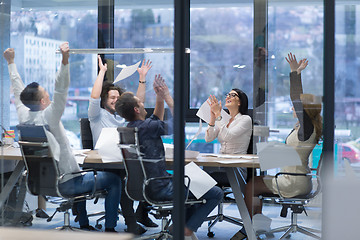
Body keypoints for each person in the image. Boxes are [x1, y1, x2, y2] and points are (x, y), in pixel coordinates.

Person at [3, 43, 122, 232]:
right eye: (46, 94)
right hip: (67, 182)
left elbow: (18, 92)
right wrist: (65, 61)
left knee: (81, 172)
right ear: (43, 102)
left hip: (43, 183)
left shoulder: (23, 115)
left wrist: (11, 63)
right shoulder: (50, 115)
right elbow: (61, 89)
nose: (50, 95)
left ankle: (84, 223)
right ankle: (109, 229)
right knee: (115, 180)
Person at [115, 74, 224, 240]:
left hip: (144, 187)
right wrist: (167, 96)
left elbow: (156, 119)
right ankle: (187, 228)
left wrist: (159, 98)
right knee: (215, 192)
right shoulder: (147, 128)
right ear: (137, 109)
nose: (144, 105)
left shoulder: (131, 128)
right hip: (161, 188)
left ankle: (177, 226)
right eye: (141, 103)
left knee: (192, 186)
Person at [234, 53, 323, 240]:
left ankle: (248, 229)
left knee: (251, 186)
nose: (293, 109)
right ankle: (257, 226)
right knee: (258, 182)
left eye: (297, 108)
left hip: (293, 182)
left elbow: (295, 98)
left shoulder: (306, 128)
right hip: (299, 179)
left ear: (305, 111)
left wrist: (294, 73)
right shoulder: (307, 129)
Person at [88, 55, 157, 234]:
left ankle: (141, 214)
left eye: (118, 98)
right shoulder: (97, 115)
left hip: (124, 160)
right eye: (112, 97)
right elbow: (94, 96)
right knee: (122, 180)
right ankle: (131, 222)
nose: (115, 100)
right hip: (105, 163)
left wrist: (142, 78)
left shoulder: (123, 116)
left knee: (148, 171)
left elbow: (137, 104)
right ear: (104, 100)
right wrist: (102, 72)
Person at [205, 89, 253, 182]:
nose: (228, 97)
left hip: (236, 168)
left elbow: (227, 136)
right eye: (228, 95)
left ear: (239, 102)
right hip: (221, 165)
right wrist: (212, 118)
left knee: (205, 178)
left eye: (233, 95)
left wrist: (218, 114)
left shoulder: (245, 119)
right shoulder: (225, 120)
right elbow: (208, 138)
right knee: (200, 174)